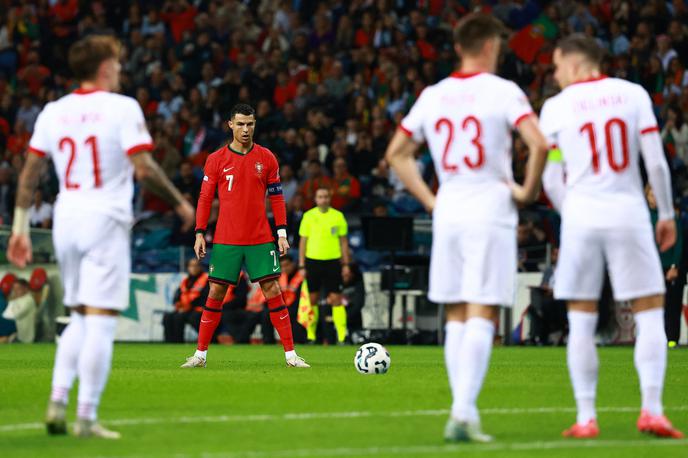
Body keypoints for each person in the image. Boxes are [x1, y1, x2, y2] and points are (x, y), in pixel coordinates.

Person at [6, 35, 195, 439]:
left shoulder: (53, 112)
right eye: (119, 65)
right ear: (106, 68)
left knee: (78, 315)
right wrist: (180, 203)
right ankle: (86, 416)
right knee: (102, 321)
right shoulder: (121, 108)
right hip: (105, 219)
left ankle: (58, 400)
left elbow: (28, 177)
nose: (122, 72)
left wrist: (20, 229)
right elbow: (143, 168)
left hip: (66, 218)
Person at [385, 14, 548, 442]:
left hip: (450, 206)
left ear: (459, 47)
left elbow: (397, 153)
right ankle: (462, 410)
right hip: (489, 206)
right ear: (491, 45)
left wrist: (431, 199)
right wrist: (527, 191)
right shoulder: (503, 91)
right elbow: (540, 142)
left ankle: (463, 412)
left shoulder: (433, 95)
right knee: (483, 309)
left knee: (456, 312)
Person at [540, 34, 684, 439]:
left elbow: (552, 174)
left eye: (556, 65)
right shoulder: (633, 95)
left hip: (582, 215)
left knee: (581, 319)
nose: (554, 74)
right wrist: (668, 214)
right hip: (628, 212)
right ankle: (652, 410)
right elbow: (655, 161)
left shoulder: (555, 108)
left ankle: (586, 417)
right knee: (650, 311)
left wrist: (573, 210)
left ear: (573, 62)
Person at [182, 103, 309, 368]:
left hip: (260, 238)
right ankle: (200, 355)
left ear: (255, 125)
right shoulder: (216, 159)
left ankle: (291, 355)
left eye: (250, 124)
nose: (245, 129)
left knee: (273, 289)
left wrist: (282, 233)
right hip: (226, 237)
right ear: (230, 124)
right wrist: (199, 232)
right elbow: (205, 198)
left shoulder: (267, 158)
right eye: (240, 124)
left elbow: (277, 197)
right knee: (216, 291)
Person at [298, 186, 351, 344]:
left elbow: (344, 242)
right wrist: (301, 265)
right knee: (312, 299)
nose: (323, 199)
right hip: (313, 260)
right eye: (320, 196)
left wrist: (346, 264)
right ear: (315, 199)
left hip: (333, 261)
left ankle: (342, 336)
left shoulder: (338, 216)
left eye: (326, 196)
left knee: (336, 299)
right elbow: (303, 242)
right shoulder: (308, 216)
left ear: (330, 198)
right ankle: (311, 336)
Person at [646, 186, 684, 347]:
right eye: (651, 194)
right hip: (651, 268)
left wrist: (675, 265)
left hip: (669, 267)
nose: (654, 198)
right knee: (652, 306)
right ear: (646, 196)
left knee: (672, 305)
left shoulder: (670, 217)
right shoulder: (643, 217)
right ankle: (653, 339)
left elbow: (679, 242)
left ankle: (672, 339)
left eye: (656, 194)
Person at [162, 258, 208, 343]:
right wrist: (178, 303)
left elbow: (205, 297)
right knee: (167, 317)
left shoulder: (206, 280)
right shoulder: (185, 281)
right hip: (184, 309)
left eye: (196, 265)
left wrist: (188, 307)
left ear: (200, 267)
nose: (194, 268)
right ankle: (169, 342)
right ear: (188, 268)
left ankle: (178, 342)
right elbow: (177, 295)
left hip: (197, 309)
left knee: (179, 317)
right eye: (191, 266)